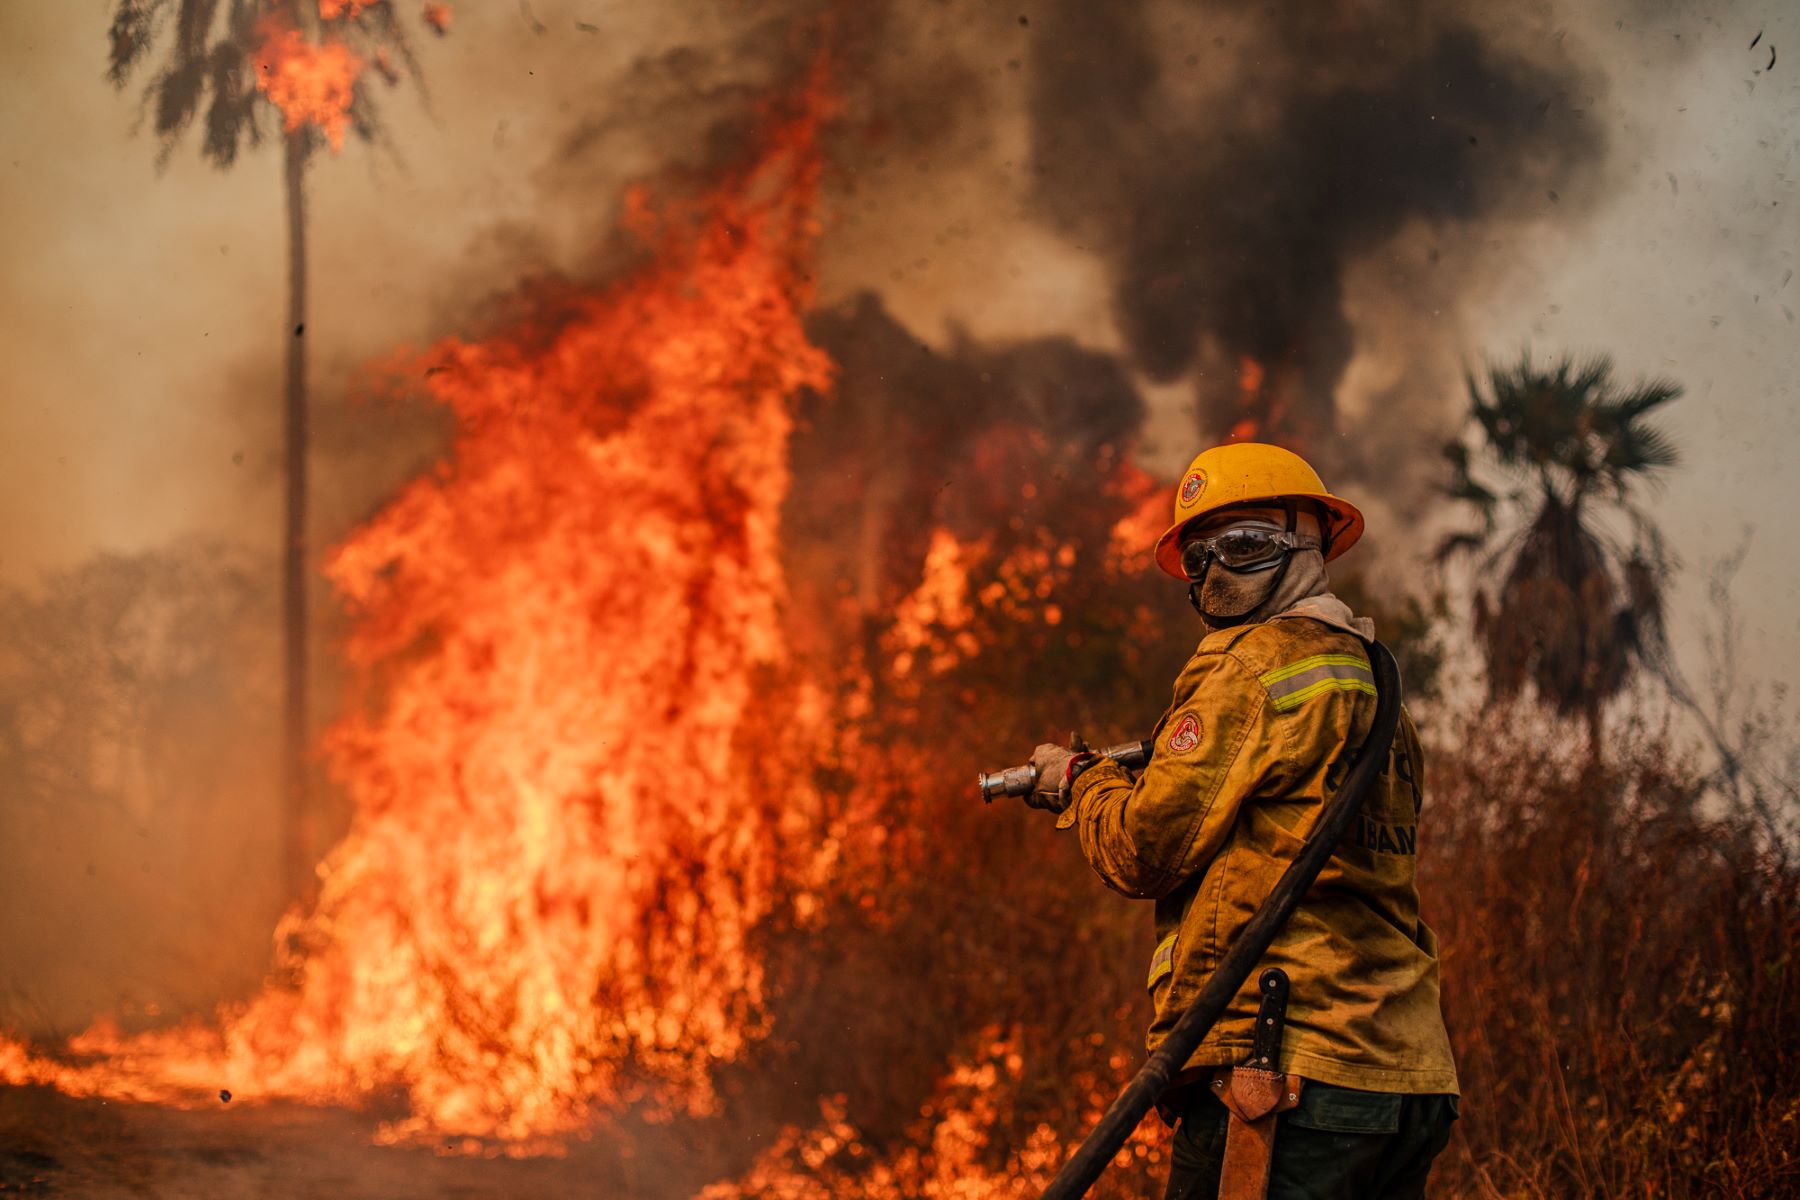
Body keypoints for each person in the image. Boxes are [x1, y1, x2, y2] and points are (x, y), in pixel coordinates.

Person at [1027, 442, 1458, 1200]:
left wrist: (1081, 784)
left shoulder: (1250, 667)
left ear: (1311, 543)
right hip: (1402, 1075)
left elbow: (1141, 852)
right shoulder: (1373, 683)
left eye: (1247, 545)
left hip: (1282, 1074)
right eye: (1198, 556)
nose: (1217, 572)